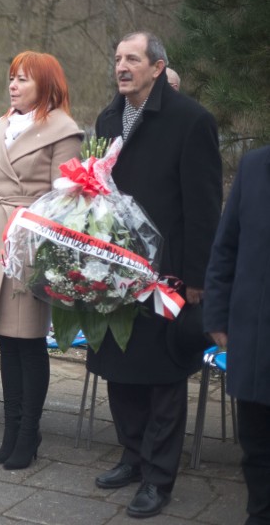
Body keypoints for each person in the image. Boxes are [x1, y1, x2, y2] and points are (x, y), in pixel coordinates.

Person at [86, 31, 222, 519]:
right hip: (112, 271)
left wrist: (196, 277)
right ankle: (132, 455)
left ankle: (158, 478)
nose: (121, 66)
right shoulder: (106, 119)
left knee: (162, 376)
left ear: (157, 67)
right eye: (117, 57)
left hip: (167, 277)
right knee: (119, 367)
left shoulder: (191, 121)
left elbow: (205, 207)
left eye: (133, 59)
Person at [0, 51, 83, 470]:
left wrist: (44, 247)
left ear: (46, 85)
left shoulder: (64, 130)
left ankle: (28, 433)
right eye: (12, 78)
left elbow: (68, 201)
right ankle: (11, 430)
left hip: (32, 244)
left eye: (24, 80)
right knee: (4, 342)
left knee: (28, 342)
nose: (13, 86)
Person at [204, 145, 270, 525]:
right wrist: (216, 314)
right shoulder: (254, 166)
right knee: (257, 445)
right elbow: (225, 247)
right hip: (256, 334)